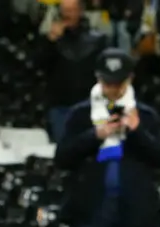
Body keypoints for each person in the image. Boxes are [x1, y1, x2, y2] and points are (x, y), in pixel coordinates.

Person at [55, 48, 160, 227]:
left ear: (130, 79)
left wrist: (137, 131)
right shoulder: (81, 113)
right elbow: (62, 158)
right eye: (108, 83)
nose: (113, 89)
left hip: (134, 209)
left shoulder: (145, 115)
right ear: (98, 78)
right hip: (91, 209)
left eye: (118, 83)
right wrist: (95, 135)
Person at [39, 0, 108, 144]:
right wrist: (50, 41)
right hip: (60, 105)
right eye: (64, 11)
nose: (67, 15)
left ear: (80, 11)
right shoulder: (52, 39)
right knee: (64, 148)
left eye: (71, 10)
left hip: (88, 105)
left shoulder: (97, 40)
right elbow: (40, 65)